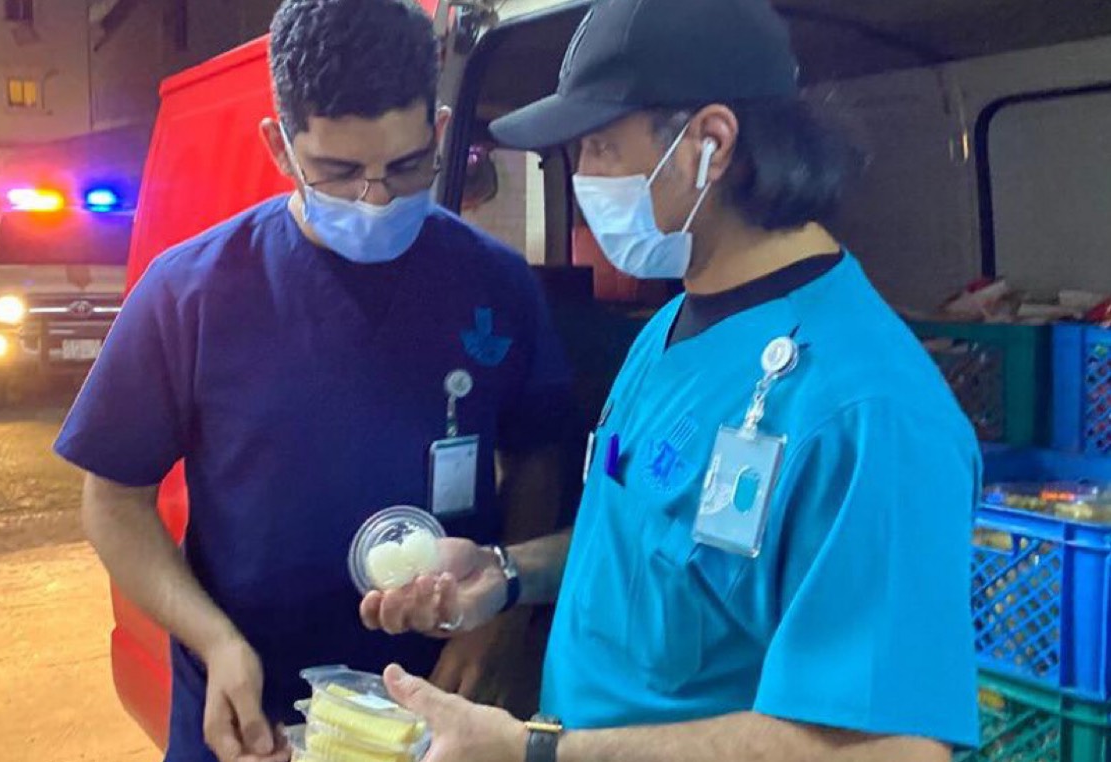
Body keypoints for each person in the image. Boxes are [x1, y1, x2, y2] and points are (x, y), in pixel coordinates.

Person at [361, 0, 981, 760]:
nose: (584, 178)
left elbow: (893, 748)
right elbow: (648, 541)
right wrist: (507, 573)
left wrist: (538, 752)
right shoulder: (671, 328)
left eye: (599, 146)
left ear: (709, 143)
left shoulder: (870, 411)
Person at [54, 1, 575, 760]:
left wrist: (500, 619)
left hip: (438, 709)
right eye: (340, 172)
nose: (377, 198)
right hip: (249, 710)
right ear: (279, 146)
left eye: (406, 167)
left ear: (437, 132)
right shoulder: (192, 291)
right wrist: (214, 641)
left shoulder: (495, 285)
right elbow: (113, 501)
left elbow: (538, 458)